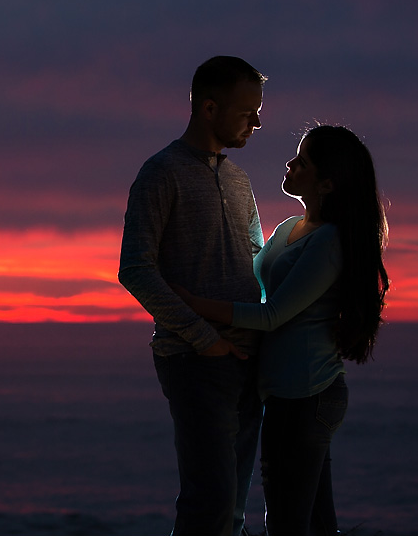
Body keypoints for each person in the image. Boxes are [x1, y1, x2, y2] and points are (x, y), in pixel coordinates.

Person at [172, 125, 390, 535]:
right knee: (314, 523)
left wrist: (193, 304)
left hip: (307, 398)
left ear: (327, 183)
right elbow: (253, 286)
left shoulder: (329, 241)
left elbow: (272, 315)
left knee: (288, 524)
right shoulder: (291, 227)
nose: (290, 163)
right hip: (289, 396)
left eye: (302, 162)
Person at [118, 55, 267, 535]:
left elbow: (258, 264)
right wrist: (203, 338)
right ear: (208, 108)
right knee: (211, 505)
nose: (258, 122)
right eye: (248, 112)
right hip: (195, 359)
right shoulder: (161, 173)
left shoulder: (240, 180)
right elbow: (135, 268)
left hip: (246, 356)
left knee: (235, 508)